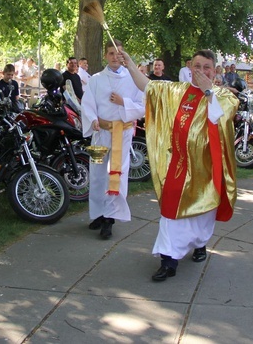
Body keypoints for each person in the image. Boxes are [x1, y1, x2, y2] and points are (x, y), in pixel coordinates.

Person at [122, 48, 237, 282]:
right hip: (178, 166)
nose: (202, 71)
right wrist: (130, 64)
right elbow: (148, 86)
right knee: (170, 212)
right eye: (197, 67)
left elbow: (220, 117)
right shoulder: (176, 90)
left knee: (203, 213)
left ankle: (200, 243)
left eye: (207, 67)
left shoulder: (225, 96)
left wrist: (208, 91)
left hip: (206, 168)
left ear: (214, 71)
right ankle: (168, 260)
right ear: (189, 68)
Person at [81, 41, 145, 240]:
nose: (115, 57)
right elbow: (87, 103)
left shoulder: (133, 79)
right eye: (110, 53)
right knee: (97, 173)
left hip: (121, 133)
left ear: (123, 54)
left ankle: (110, 218)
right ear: (105, 56)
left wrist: (123, 103)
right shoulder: (96, 79)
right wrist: (92, 119)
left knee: (115, 174)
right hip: (100, 133)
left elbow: (143, 105)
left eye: (118, 54)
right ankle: (98, 213)